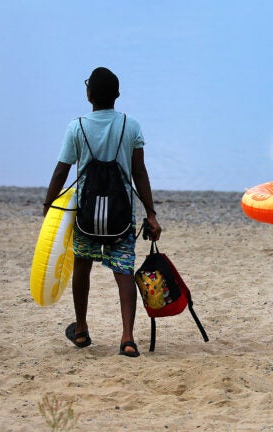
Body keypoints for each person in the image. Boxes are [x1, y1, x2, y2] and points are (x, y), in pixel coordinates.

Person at [43, 67, 161, 358]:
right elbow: (139, 172)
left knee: (82, 266)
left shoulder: (77, 127)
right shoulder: (130, 126)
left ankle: (81, 329)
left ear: (89, 94)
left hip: (86, 216)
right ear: (117, 95)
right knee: (123, 272)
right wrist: (151, 213)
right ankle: (128, 338)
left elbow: (61, 171)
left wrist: (48, 206)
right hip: (121, 216)